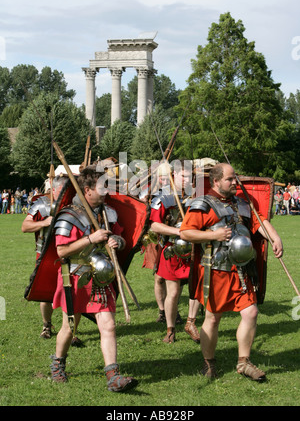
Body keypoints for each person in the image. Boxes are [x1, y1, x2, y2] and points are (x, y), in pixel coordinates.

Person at [180, 163, 283, 382]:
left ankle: (243, 362)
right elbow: (186, 233)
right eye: (230, 179)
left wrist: (274, 237)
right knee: (213, 319)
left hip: (242, 271)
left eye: (235, 178)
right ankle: (209, 364)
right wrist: (212, 236)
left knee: (251, 313)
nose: (235, 182)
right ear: (216, 181)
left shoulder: (242, 204)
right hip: (216, 271)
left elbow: (259, 222)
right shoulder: (202, 204)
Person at [50, 165, 138, 392]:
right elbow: (61, 252)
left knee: (108, 325)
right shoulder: (69, 215)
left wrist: (117, 242)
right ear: (87, 190)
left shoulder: (108, 213)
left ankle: (113, 376)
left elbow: (122, 239)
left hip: (101, 278)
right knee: (70, 327)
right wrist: (91, 238)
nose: (107, 191)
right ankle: (58, 363)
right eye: (102, 187)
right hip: (76, 278)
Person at [148, 161, 201, 344]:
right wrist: (179, 232)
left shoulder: (197, 196)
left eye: (190, 177)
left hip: (194, 248)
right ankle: (170, 329)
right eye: (183, 176)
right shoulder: (163, 197)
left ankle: (190, 322)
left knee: (196, 288)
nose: (187, 180)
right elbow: (154, 225)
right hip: (172, 249)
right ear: (174, 176)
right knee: (174, 292)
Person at [22, 176, 68, 339]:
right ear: (53, 190)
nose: (65, 194)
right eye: (62, 190)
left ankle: (68, 329)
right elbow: (25, 226)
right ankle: (46, 325)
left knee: (69, 291)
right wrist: (44, 223)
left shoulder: (74, 204)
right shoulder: (42, 204)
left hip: (69, 253)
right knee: (45, 292)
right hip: (45, 255)